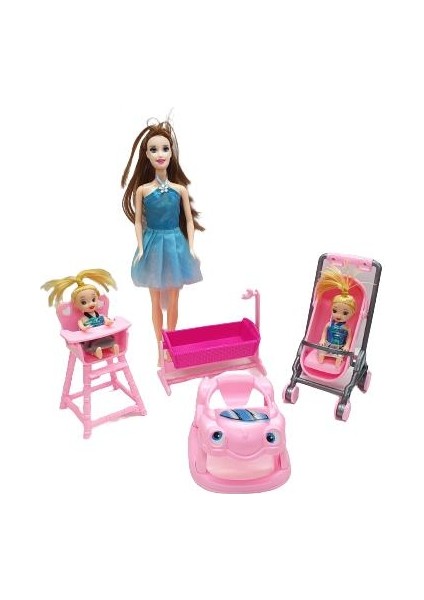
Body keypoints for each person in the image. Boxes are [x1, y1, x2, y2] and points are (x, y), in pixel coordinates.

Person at [121, 119, 204, 362]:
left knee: (174, 299)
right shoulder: (142, 190)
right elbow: (138, 222)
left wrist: (191, 247)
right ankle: (160, 349)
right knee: (155, 299)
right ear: (146, 154)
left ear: (171, 153)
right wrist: (140, 247)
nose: (160, 154)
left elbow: (188, 220)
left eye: (165, 148)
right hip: (153, 245)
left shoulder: (180, 189)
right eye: (154, 149)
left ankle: (171, 346)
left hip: (176, 244)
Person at [41, 269, 119, 360]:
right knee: (91, 345)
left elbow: (105, 320)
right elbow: (81, 326)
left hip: (103, 335)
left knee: (110, 340)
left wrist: (108, 322)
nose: (91, 304)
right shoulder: (83, 319)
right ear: (77, 305)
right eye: (84, 302)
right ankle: (95, 352)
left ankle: (112, 347)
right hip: (91, 338)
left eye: (93, 300)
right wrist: (84, 328)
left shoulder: (100, 316)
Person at [315, 266, 356, 367]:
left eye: (345, 313)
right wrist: (322, 339)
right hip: (328, 343)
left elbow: (349, 338)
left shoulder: (347, 328)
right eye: (335, 311)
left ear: (352, 314)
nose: (338, 315)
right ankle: (320, 363)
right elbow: (324, 332)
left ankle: (337, 364)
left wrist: (347, 345)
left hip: (339, 346)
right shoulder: (329, 324)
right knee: (321, 351)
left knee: (339, 356)